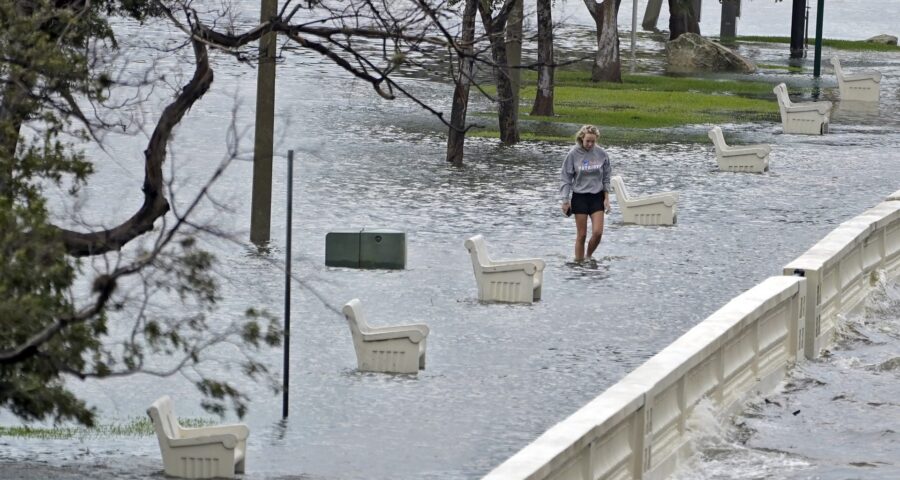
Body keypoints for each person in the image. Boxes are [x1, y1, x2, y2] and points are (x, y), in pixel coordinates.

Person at [560, 125, 611, 261]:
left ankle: (588, 256)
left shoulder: (601, 154)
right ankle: (579, 263)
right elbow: (566, 178)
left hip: (596, 196)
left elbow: (606, 177)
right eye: (588, 141)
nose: (590, 144)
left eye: (593, 141)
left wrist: (607, 198)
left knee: (598, 232)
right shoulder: (573, 154)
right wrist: (565, 200)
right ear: (582, 138)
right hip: (580, 197)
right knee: (581, 235)